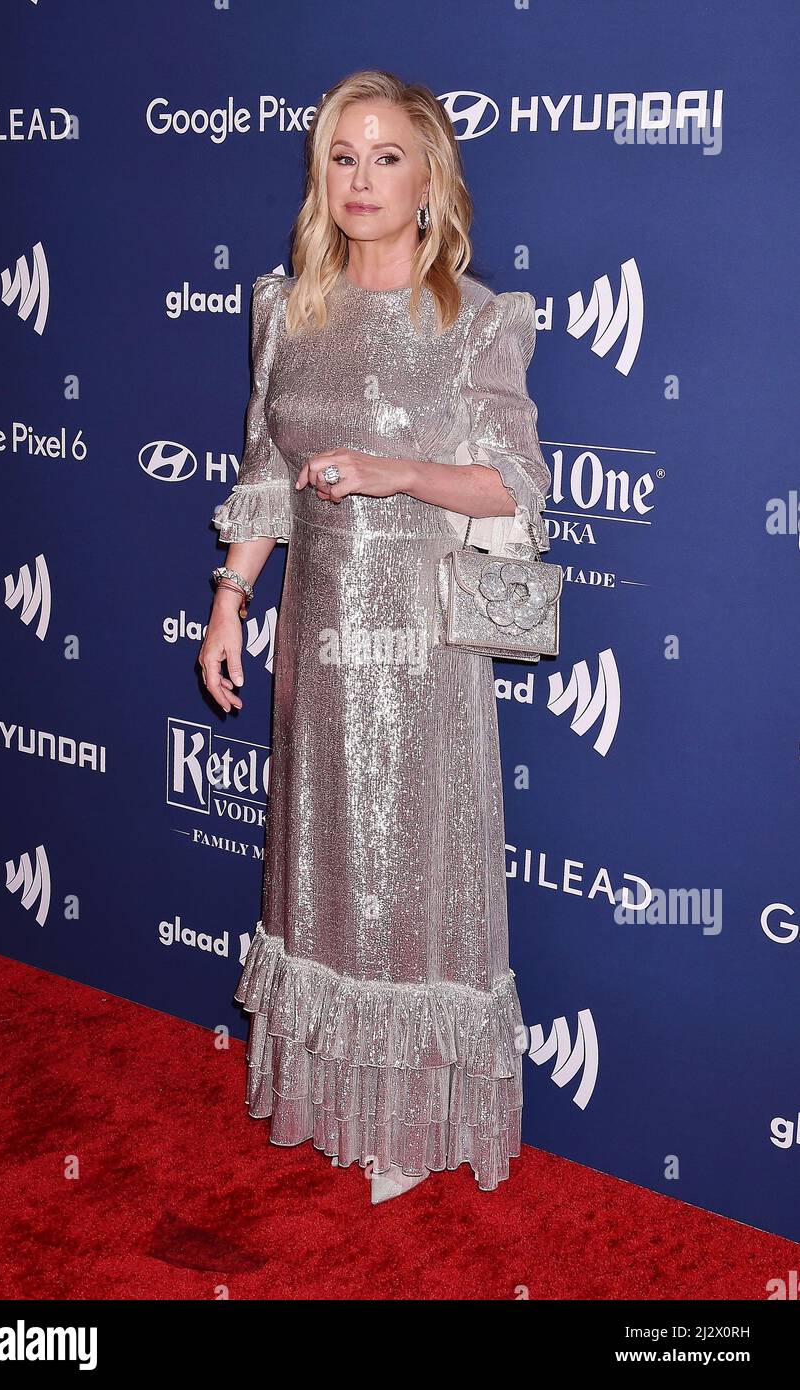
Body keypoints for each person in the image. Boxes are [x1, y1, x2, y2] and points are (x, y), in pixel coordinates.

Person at [198, 69, 552, 1206]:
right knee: (326, 870)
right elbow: (265, 471)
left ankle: (413, 1117)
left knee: (413, 869)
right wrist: (231, 598)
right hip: (316, 640)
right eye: (340, 156)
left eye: (385, 155)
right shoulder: (283, 307)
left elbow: (513, 487)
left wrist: (398, 473)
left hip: (419, 639)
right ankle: (347, 1100)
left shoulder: (474, 320)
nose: (360, 178)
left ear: (427, 175)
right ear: (319, 174)